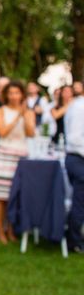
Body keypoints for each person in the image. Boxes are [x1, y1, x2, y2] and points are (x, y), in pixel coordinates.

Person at [0, 81, 35, 244]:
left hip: (20, 156)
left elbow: (30, 133)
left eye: (17, 92)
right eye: (11, 93)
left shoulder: (28, 112)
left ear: (22, 95)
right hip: (3, 156)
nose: (14, 96)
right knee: (0, 197)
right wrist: (17, 117)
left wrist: (26, 116)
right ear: (6, 95)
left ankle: (12, 229)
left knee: (15, 196)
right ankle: (1, 231)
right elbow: (2, 132)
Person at [65, 82, 84, 253]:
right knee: (80, 203)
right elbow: (75, 139)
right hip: (78, 159)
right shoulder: (80, 108)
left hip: (77, 158)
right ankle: (75, 241)